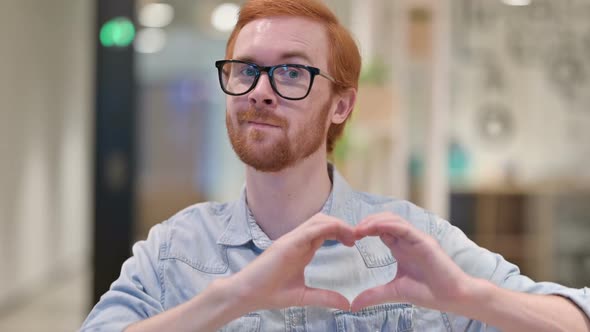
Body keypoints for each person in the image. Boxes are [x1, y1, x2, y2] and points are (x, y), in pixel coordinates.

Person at [81, 0, 590, 331]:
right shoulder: (175, 250)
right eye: (246, 70)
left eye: (291, 72)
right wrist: (231, 300)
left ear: (341, 106)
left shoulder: (414, 243)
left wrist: (469, 296)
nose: (260, 91)